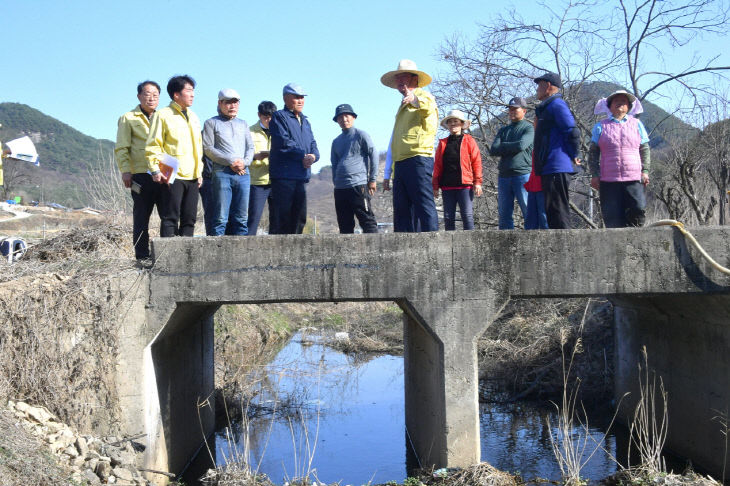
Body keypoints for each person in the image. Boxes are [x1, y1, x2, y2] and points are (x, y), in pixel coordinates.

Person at [381, 59, 439, 232]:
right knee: (402, 210)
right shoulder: (402, 105)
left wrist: (414, 98)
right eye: (397, 78)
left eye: (404, 77)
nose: (400, 81)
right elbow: (394, 139)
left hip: (418, 158)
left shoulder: (424, 96)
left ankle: (433, 246)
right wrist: (388, 170)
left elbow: (428, 108)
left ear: (415, 79)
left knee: (424, 205)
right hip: (401, 162)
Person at [145, 75, 203, 237]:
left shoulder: (194, 116)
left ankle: (186, 259)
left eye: (193, 91)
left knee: (190, 219)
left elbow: (198, 147)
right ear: (176, 94)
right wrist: (155, 170)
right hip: (171, 173)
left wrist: (199, 173)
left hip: (192, 175)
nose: (192, 95)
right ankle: (167, 259)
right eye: (189, 91)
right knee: (170, 217)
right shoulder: (162, 115)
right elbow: (153, 144)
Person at [114, 81, 163, 260]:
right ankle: (142, 256)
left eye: (156, 95)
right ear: (139, 96)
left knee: (168, 216)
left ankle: (165, 256)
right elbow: (122, 147)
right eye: (147, 94)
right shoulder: (128, 118)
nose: (151, 98)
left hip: (162, 173)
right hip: (141, 174)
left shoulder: (162, 117)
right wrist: (126, 170)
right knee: (142, 217)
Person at [588, 90, 650, 228]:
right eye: (616, 101)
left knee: (638, 209)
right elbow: (593, 153)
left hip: (633, 177)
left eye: (624, 101)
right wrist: (595, 174)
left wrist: (645, 170)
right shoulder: (600, 126)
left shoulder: (637, 124)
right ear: (609, 106)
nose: (620, 103)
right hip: (608, 179)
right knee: (612, 216)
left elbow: (644, 149)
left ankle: (635, 242)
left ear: (628, 107)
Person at [268, 83, 319, 234]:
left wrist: (314, 156)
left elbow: (312, 143)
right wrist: (302, 155)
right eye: (296, 97)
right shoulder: (278, 117)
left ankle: (296, 253)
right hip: (284, 176)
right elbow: (283, 142)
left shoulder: (305, 121)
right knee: (283, 218)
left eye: (302, 97)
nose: (300, 100)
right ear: (286, 98)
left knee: (299, 217)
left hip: (301, 175)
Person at [202, 88, 254, 236]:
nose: (232, 106)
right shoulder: (211, 123)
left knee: (242, 218)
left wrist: (244, 162)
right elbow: (208, 148)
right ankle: (217, 255)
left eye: (235, 102)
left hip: (244, 173)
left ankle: (242, 255)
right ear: (220, 103)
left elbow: (250, 147)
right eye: (228, 103)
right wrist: (231, 161)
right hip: (222, 173)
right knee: (220, 218)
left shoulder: (243, 124)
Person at [533, 72, 581, 229]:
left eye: (539, 86)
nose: (537, 90)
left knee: (558, 211)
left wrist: (574, 154)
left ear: (548, 86)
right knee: (552, 212)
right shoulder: (547, 107)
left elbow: (571, 130)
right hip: (549, 166)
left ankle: (566, 249)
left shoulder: (557, 105)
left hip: (556, 165)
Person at [330, 104, 379, 234]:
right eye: (340, 117)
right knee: (344, 224)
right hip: (340, 187)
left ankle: (376, 252)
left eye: (347, 115)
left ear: (353, 117)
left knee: (367, 220)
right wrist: (335, 181)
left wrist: (372, 179)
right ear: (337, 121)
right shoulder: (336, 141)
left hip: (358, 185)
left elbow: (373, 154)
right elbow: (334, 164)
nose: (344, 119)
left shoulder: (361, 135)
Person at [432, 109, 482, 230]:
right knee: (448, 217)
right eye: (450, 122)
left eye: (455, 121)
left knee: (467, 215)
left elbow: (476, 161)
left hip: (465, 185)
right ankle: (450, 247)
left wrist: (478, 182)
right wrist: (435, 186)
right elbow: (437, 165)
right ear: (447, 125)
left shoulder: (469, 141)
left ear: (461, 124)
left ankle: (471, 245)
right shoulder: (443, 143)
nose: (453, 124)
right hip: (447, 186)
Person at [490, 97, 534, 229]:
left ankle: (531, 241)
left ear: (524, 111)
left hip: (523, 174)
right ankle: (505, 245)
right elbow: (493, 150)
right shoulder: (503, 130)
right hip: (504, 175)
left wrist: (503, 145)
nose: (512, 111)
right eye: (510, 109)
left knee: (527, 209)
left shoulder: (529, 128)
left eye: (515, 109)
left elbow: (521, 145)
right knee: (504, 213)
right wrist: (510, 147)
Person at [247, 101, 277, 236]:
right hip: (257, 181)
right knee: (253, 217)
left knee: (277, 219)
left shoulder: (280, 131)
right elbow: (243, 154)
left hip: (276, 180)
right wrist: (255, 157)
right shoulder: (249, 131)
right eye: (265, 117)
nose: (269, 120)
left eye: (271, 116)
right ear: (259, 115)